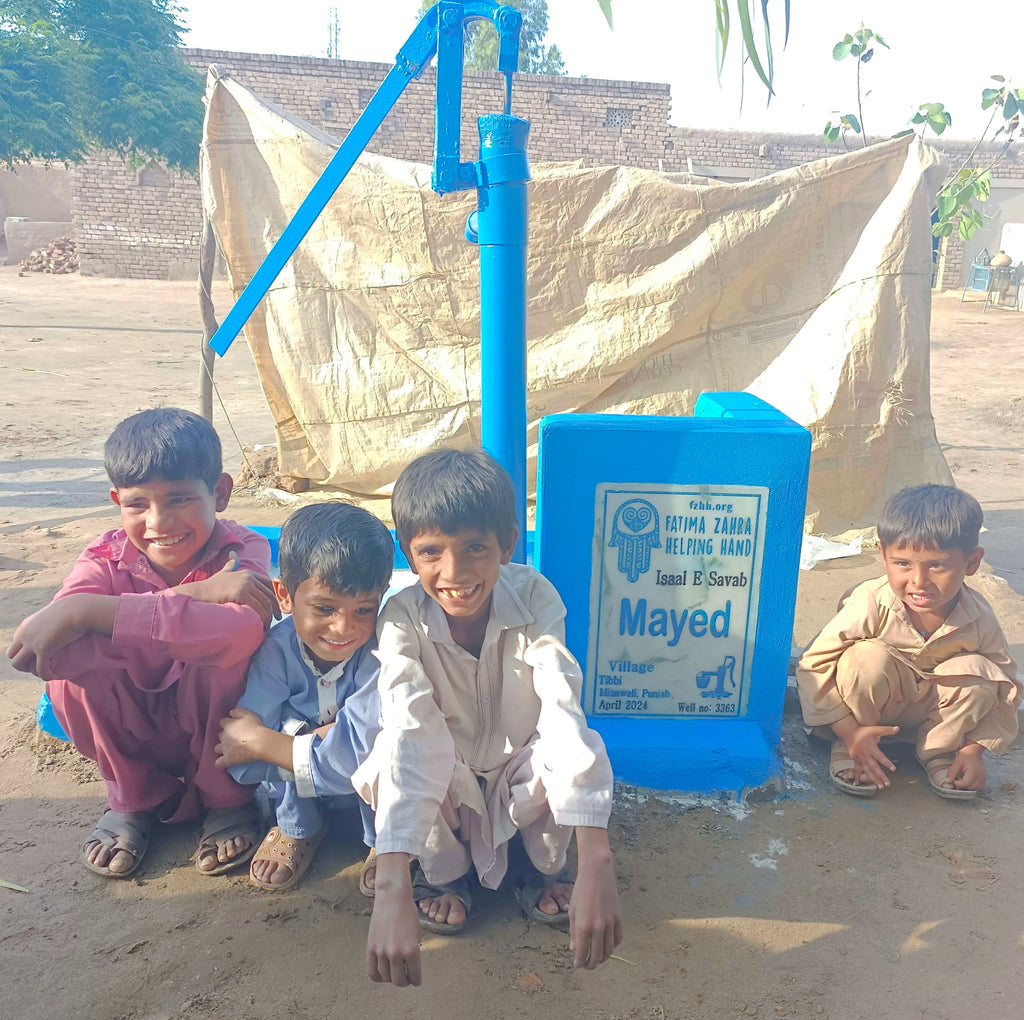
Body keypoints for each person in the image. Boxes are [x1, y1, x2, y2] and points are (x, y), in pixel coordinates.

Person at [357, 447, 622, 988]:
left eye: (475, 547)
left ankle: (541, 868)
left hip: (516, 775)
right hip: (448, 778)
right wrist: (391, 887)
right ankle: (443, 880)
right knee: (392, 757)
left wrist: (599, 860)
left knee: (563, 749)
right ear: (408, 555)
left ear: (507, 545)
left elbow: (563, 711)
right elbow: (412, 733)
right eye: (431, 551)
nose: (454, 573)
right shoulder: (401, 617)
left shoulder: (535, 597)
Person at [6, 408, 277, 878]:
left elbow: (238, 634)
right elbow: (47, 653)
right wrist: (194, 598)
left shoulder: (243, 551)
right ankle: (134, 799)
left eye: (179, 499)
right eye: (138, 504)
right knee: (69, 682)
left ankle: (225, 798)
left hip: (216, 729)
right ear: (117, 501)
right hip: (132, 728)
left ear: (220, 492)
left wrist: (94, 618)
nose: (159, 521)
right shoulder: (103, 558)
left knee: (228, 660)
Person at [797, 484, 1019, 800]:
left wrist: (974, 750)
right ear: (883, 554)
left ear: (972, 563)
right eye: (902, 563)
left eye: (937, 565)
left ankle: (939, 752)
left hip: (929, 718)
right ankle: (851, 745)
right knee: (865, 658)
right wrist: (850, 732)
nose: (918, 580)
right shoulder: (871, 603)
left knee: (984, 675)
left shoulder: (979, 616)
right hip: (861, 718)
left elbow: (1007, 688)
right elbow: (813, 665)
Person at [213, 502, 393, 892]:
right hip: (299, 783)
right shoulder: (275, 651)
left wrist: (266, 743)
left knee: (386, 749)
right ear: (285, 596)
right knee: (288, 732)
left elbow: (361, 756)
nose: (344, 627)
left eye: (364, 609)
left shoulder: (381, 654)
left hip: (369, 790)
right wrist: (317, 738)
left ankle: (386, 842)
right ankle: (298, 826)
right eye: (324, 608)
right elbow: (237, 747)